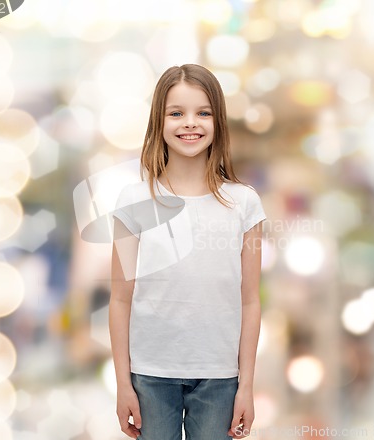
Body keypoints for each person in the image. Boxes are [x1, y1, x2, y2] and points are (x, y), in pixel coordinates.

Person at [109, 64, 266, 440]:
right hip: (149, 375)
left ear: (218, 121)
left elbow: (250, 301)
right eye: (176, 113)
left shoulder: (243, 203)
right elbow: (120, 298)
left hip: (220, 378)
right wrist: (123, 385)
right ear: (158, 123)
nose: (190, 123)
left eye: (203, 112)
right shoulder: (134, 200)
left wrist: (246, 386)